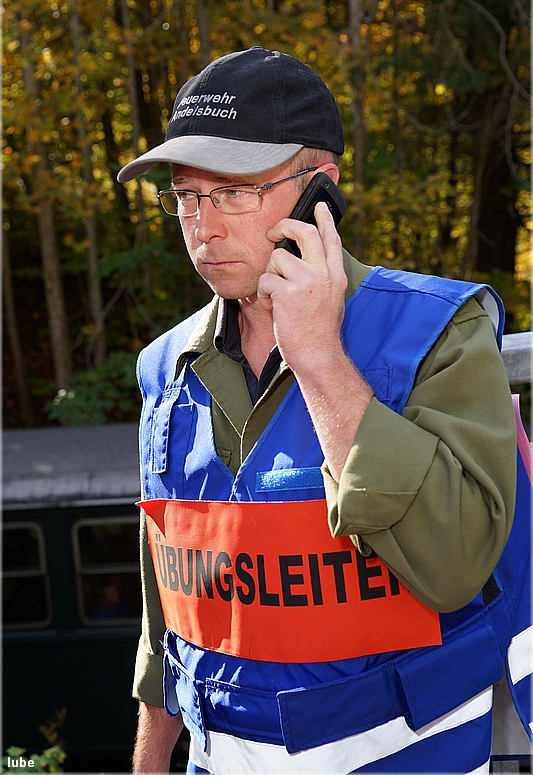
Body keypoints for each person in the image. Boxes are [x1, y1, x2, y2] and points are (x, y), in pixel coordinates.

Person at [117, 48, 526, 774]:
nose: (203, 226)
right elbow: (172, 611)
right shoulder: (165, 368)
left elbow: (453, 566)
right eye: (185, 196)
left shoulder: (437, 333)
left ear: (321, 192)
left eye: (233, 192)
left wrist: (318, 359)